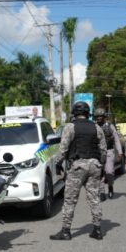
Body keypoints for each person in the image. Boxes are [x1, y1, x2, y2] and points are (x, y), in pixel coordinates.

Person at [50, 101, 108, 241]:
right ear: (88, 113)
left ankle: (65, 231)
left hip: (77, 166)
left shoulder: (70, 127)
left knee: (70, 199)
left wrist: (58, 163)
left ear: (74, 113)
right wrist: (102, 165)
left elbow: (63, 148)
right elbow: (103, 150)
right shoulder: (96, 127)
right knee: (94, 198)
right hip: (94, 165)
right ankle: (97, 230)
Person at [93, 108, 123, 200]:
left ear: (104, 117)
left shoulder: (110, 126)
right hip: (97, 152)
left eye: (100, 116)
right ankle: (102, 191)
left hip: (109, 151)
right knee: (99, 172)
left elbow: (116, 139)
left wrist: (120, 152)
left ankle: (110, 186)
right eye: (97, 116)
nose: (99, 118)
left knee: (109, 171)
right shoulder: (93, 126)